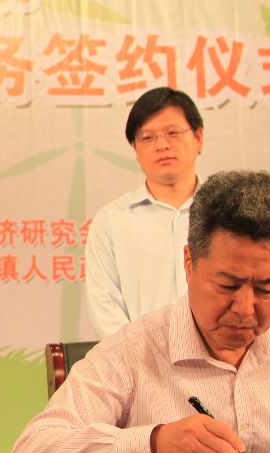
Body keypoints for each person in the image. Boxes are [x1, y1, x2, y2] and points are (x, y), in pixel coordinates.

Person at [11, 169, 270, 453]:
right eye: (227, 285)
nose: (244, 307)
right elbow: (32, 451)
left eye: (266, 289)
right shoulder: (133, 350)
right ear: (189, 263)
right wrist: (153, 441)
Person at [84, 87, 205, 339]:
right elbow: (104, 307)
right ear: (136, 151)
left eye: (172, 133)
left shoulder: (226, 214)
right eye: (147, 138)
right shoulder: (112, 221)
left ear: (198, 138)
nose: (162, 145)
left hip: (220, 358)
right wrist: (143, 356)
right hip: (139, 359)